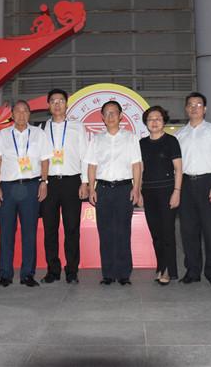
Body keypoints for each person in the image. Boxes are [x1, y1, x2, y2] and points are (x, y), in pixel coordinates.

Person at [0, 100, 51, 287]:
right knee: (6, 233)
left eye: (25, 111)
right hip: (8, 187)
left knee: (29, 233)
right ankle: (5, 274)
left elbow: (45, 160)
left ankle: (27, 274)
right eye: (17, 111)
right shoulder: (3, 135)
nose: (21, 114)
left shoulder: (39, 134)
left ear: (29, 114)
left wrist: (44, 182)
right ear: (12, 115)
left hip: (31, 186)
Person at [85, 101, 142, 285]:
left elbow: (136, 165)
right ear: (102, 117)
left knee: (123, 231)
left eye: (114, 113)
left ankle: (124, 274)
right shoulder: (96, 139)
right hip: (102, 190)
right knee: (105, 232)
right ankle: (108, 273)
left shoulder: (130, 138)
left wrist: (136, 188)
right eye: (107, 113)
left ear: (121, 116)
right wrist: (91, 188)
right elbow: (92, 165)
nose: (110, 116)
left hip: (124, 189)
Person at [174, 92, 211, 286]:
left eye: (198, 105)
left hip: (208, 183)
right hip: (186, 184)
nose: (194, 108)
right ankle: (192, 271)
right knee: (188, 230)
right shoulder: (179, 135)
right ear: (186, 109)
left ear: (205, 109)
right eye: (190, 104)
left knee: (210, 230)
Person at [40, 89, 89, 284]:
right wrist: (41, 182)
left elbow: (85, 155)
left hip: (72, 182)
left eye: (61, 101)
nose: (57, 104)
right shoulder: (41, 129)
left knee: (72, 228)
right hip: (49, 183)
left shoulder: (78, 127)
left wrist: (85, 182)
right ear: (48, 105)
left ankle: (72, 270)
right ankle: (53, 270)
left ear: (66, 104)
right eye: (53, 101)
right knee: (50, 228)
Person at [139, 105, 182, 285]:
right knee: (155, 233)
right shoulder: (141, 143)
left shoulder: (171, 141)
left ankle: (168, 270)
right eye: (151, 119)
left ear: (164, 121)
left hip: (167, 191)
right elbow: (140, 170)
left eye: (158, 118)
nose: (154, 122)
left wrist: (177, 192)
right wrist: (138, 192)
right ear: (146, 123)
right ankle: (160, 266)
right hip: (148, 192)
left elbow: (178, 169)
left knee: (167, 232)